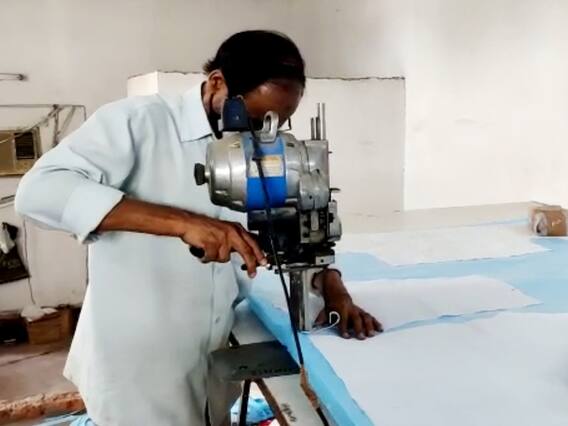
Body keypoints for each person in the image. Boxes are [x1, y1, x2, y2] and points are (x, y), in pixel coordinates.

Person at [15, 30, 382, 426]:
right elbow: (38, 192)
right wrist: (184, 223)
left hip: (214, 358)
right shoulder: (139, 123)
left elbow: (294, 235)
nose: (262, 134)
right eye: (253, 119)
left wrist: (332, 286)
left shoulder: (265, 148)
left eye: (275, 122)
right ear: (217, 82)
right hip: (140, 368)